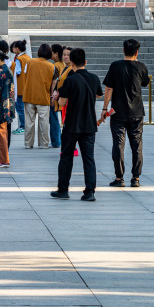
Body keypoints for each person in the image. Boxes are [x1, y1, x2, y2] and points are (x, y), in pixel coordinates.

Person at [51, 48, 103, 202]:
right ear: (85, 62)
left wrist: (58, 97)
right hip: (89, 125)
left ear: (71, 62)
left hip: (72, 124)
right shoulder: (93, 78)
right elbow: (99, 94)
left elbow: (62, 102)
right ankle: (90, 192)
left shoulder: (70, 80)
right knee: (89, 158)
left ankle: (63, 189)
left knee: (66, 156)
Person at [102, 38, 149, 188]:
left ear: (123, 50)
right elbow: (145, 82)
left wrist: (104, 109)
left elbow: (109, 88)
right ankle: (136, 178)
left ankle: (119, 177)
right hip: (136, 112)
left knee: (118, 144)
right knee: (137, 145)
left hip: (117, 113)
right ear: (137, 52)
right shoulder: (141, 66)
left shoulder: (115, 66)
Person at [22, 43, 55, 149]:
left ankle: (28, 143)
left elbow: (25, 74)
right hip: (43, 96)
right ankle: (44, 143)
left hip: (29, 95)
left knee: (29, 121)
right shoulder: (51, 66)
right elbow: (52, 83)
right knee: (44, 122)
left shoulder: (29, 62)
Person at [10, 40, 30, 133]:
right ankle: (25, 125)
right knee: (25, 108)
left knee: (20, 108)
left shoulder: (19, 59)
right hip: (26, 85)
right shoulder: (27, 57)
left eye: (14, 48)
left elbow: (17, 71)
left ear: (17, 49)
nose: (13, 49)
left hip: (19, 86)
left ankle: (22, 126)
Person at [49, 43, 63, 148]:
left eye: (51, 52)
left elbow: (54, 82)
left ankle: (56, 141)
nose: (50, 54)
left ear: (56, 53)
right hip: (63, 95)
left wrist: (51, 96)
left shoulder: (55, 66)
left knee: (53, 118)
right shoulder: (63, 65)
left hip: (56, 95)